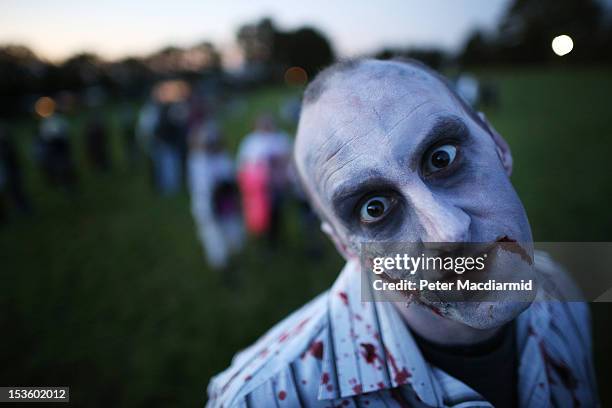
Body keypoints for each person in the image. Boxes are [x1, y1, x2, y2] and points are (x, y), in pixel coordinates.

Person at [206, 59, 597, 407]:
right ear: (345, 246)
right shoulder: (265, 398)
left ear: (497, 145)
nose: (449, 232)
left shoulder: (564, 292)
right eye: (374, 209)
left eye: (442, 158)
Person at [188, 121, 244, 270]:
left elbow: (231, 177)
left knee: (233, 234)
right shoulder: (198, 162)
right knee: (214, 237)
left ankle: (234, 258)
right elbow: (203, 186)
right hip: (210, 205)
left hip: (227, 203)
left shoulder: (223, 157)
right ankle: (222, 264)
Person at [237, 115, 292, 243]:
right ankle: (265, 236)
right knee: (262, 212)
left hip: (279, 184)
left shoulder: (281, 138)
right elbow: (243, 164)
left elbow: (289, 157)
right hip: (259, 188)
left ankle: (276, 235)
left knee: (278, 211)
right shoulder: (250, 141)